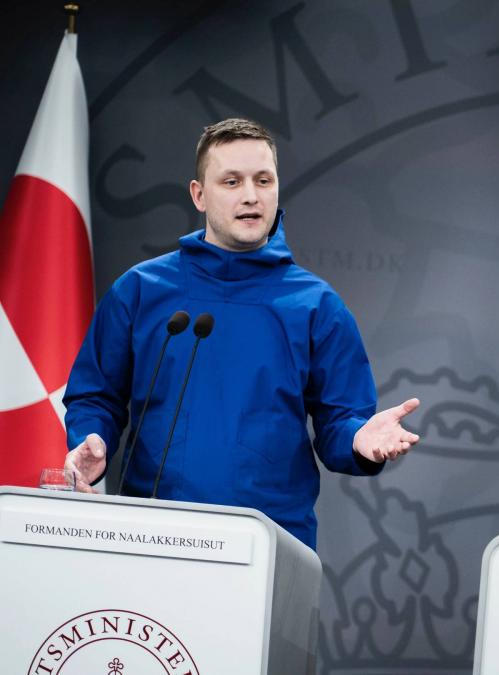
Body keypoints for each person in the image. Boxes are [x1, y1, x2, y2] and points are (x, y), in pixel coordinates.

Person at [61, 118, 419, 550]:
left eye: (263, 180)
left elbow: (341, 420)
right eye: (231, 181)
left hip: (269, 545)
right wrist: (91, 438)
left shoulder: (317, 306)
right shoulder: (140, 291)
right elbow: (95, 394)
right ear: (199, 194)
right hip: (151, 535)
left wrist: (359, 440)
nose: (251, 195)